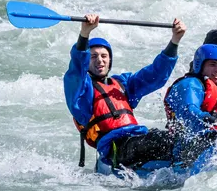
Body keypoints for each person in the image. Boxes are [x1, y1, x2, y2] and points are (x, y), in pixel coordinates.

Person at [64, 14, 186, 173]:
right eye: (93, 56)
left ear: (110, 60)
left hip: (136, 139)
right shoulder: (82, 93)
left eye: (104, 56)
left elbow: (154, 75)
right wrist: (84, 34)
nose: (100, 60)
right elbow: (76, 70)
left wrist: (175, 41)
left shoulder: (123, 84)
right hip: (116, 149)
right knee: (164, 141)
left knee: (180, 138)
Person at [164, 44, 217, 165]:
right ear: (200, 65)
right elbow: (189, 111)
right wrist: (213, 118)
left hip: (207, 138)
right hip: (184, 145)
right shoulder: (190, 84)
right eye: (212, 65)